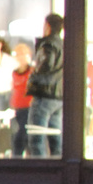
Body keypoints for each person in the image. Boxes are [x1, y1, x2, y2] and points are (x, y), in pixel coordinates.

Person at [27, 13, 64, 158]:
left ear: (48, 26)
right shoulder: (62, 44)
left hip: (44, 94)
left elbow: (45, 65)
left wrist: (34, 75)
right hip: (57, 96)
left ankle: (40, 172)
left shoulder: (48, 44)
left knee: (37, 137)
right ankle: (56, 168)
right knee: (56, 139)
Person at [10, 42, 33, 158]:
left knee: (23, 134)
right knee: (18, 132)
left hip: (29, 107)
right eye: (18, 54)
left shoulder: (32, 71)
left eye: (23, 54)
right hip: (18, 107)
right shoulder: (14, 72)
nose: (21, 57)